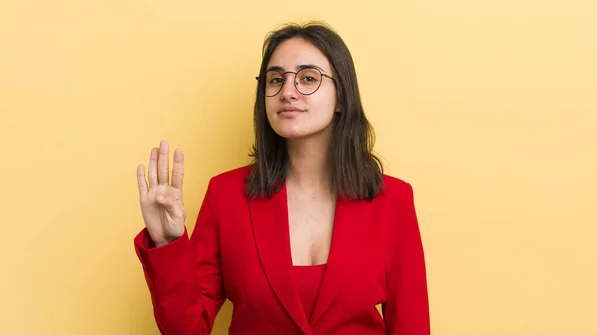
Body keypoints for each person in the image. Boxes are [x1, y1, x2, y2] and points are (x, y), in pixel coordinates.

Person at [134, 21, 430, 335]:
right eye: (276, 80)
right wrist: (167, 244)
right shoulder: (226, 195)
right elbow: (188, 330)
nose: (287, 92)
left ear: (342, 97)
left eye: (308, 79)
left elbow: (411, 327)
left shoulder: (394, 200)